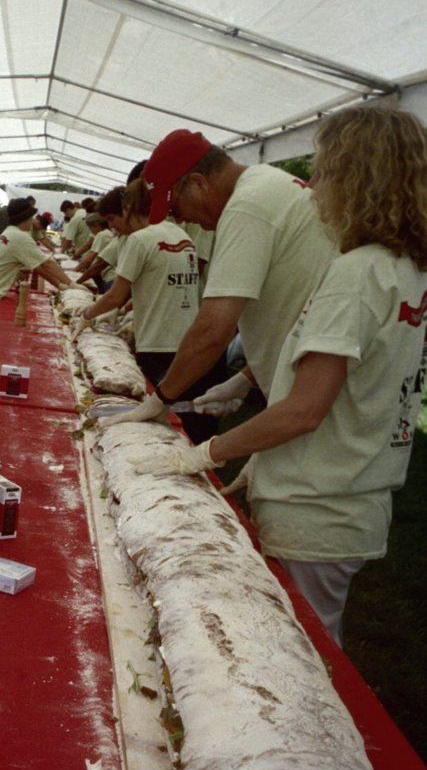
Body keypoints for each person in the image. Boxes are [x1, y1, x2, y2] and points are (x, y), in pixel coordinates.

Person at [129, 106, 427, 646]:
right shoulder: (402, 266)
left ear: (354, 180)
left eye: (326, 171)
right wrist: (247, 383)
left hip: (317, 499)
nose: (314, 189)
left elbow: (304, 410)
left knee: (297, 653)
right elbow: (341, 367)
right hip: (352, 490)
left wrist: (204, 452)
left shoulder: (355, 272)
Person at [105, 129, 335, 426]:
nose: (182, 219)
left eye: (175, 208)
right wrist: (244, 378)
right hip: (309, 386)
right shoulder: (267, 186)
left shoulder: (246, 207)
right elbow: (296, 308)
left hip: (315, 401)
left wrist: (161, 398)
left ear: (198, 184)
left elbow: (214, 329)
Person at [75, 179, 224, 445]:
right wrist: (131, 307)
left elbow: (116, 295)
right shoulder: (181, 235)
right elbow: (158, 283)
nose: (114, 228)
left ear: (127, 210)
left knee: (160, 427)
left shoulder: (140, 240)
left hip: (158, 342)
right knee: (190, 420)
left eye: (112, 220)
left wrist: (87, 314)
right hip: (188, 339)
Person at [0, 198, 75, 367]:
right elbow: (47, 264)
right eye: (32, 217)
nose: (34, 221)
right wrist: (71, 284)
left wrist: (60, 285)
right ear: (26, 218)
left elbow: (38, 266)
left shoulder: (11, 231)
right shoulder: (19, 237)